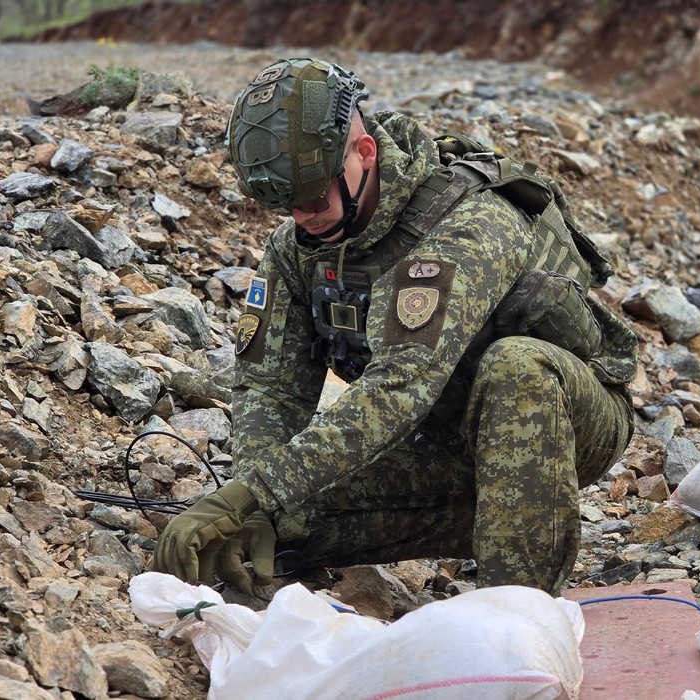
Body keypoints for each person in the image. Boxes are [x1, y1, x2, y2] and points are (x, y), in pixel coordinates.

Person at [151, 57, 638, 596]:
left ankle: (517, 607)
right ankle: (498, 520)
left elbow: (403, 381)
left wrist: (254, 491)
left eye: (312, 196)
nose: (302, 217)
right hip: (441, 439)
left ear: (364, 153)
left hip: (564, 425)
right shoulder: (298, 249)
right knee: (280, 514)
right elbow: (270, 388)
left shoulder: (472, 219)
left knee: (515, 368)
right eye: (283, 204)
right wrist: (252, 506)